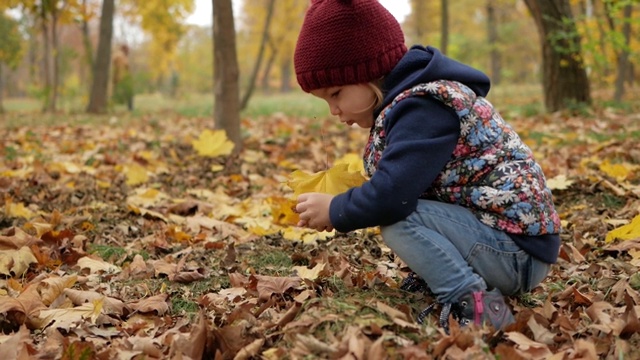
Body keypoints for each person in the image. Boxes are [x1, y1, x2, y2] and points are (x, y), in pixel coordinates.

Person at [293, 0, 561, 333]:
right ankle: (449, 281)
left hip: (517, 253)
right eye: (325, 102)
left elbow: (393, 195)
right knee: (401, 211)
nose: (333, 110)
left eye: (336, 93)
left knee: (397, 219)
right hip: (504, 241)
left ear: (368, 73)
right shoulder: (409, 103)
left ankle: (478, 306)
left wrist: (337, 210)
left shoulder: (424, 108)